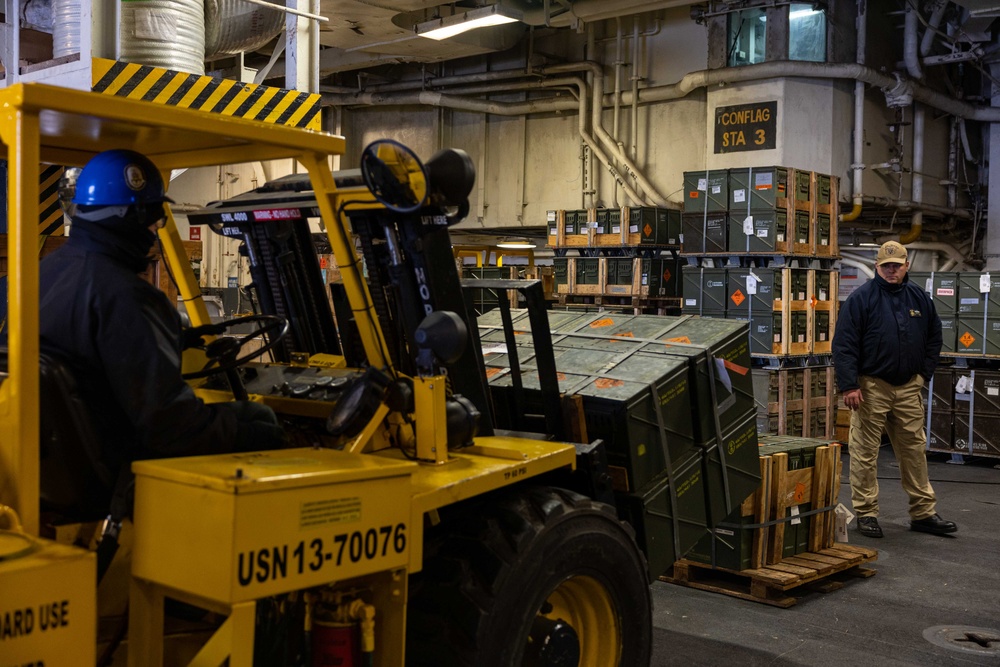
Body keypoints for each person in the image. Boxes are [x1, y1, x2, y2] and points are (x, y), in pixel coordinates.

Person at [36, 149, 284, 500]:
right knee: (261, 422)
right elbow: (171, 426)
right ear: (131, 217)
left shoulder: (46, 272)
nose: (154, 234)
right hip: (118, 459)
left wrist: (175, 338)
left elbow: (93, 350)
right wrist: (254, 435)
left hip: (58, 461)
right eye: (154, 221)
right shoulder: (127, 296)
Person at [832, 240, 957, 538]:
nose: (891, 270)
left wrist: (922, 375)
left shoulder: (919, 298)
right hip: (870, 387)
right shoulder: (861, 299)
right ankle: (866, 512)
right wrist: (849, 385)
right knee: (865, 452)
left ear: (906, 266)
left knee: (914, 450)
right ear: (876, 266)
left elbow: (933, 338)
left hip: (907, 388)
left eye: (896, 265)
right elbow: (844, 345)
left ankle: (923, 513)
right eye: (886, 265)